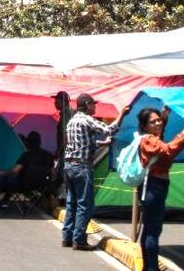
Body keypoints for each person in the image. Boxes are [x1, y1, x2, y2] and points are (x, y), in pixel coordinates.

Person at [61, 93, 131, 251]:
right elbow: (109, 129)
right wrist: (122, 115)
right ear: (86, 105)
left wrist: (102, 143)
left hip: (69, 166)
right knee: (84, 205)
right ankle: (79, 240)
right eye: (93, 104)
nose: (95, 107)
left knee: (71, 203)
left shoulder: (72, 121)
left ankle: (67, 237)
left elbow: (84, 142)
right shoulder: (86, 119)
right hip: (81, 167)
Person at [136, 107, 184, 270]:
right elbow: (168, 150)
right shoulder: (148, 140)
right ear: (145, 126)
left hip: (155, 186)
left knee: (149, 229)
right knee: (153, 231)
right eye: (153, 121)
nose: (158, 123)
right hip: (153, 187)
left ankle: (147, 267)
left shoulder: (152, 137)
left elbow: (160, 136)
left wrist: (164, 116)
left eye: (158, 120)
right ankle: (152, 268)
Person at [0, 131, 54, 209]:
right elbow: (52, 171)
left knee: (1, 178)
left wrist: (3, 172)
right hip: (40, 185)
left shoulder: (27, 155)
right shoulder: (48, 156)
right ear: (40, 142)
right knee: (12, 180)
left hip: (24, 185)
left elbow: (15, 171)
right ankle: (4, 201)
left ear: (28, 143)